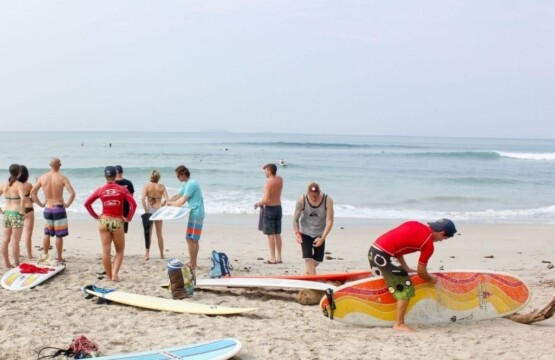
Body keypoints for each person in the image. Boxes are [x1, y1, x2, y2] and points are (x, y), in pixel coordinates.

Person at [368, 218, 457, 332]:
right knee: (405, 286)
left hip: (374, 251)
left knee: (386, 279)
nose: (441, 241)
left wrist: (405, 267)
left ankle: (382, 305)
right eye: (444, 238)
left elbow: (397, 246)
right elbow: (421, 272)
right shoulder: (428, 244)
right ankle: (399, 323)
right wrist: (430, 279)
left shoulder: (414, 224)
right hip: (384, 257)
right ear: (441, 233)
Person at [84, 166, 137, 281]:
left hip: (104, 220)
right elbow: (134, 205)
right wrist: (128, 218)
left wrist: (95, 215)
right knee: (120, 251)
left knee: (105, 251)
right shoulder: (123, 189)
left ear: (105, 176)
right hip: (117, 221)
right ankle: (115, 275)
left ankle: (109, 275)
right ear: (115, 175)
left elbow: (87, 204)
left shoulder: (100, 189)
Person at [31, 157, 76, 263]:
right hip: (59, 208)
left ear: (50, 165)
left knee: (46, 233)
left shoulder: (43, 178)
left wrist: (40, 204)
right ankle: (59, 257)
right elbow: (72, 193)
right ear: (59, 165)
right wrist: (67, 204)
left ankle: (45, 255)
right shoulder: (63, 178)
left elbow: (33, 192)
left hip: (48, 208)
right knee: (59, 235)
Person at [166, 165, 205, 269]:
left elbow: (181, 201)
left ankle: (192, 263)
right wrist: (167, 201)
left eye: (178, 176)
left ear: (183, 174)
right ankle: (194, 262)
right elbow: (177, 196)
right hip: (196, 212)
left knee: (190, 238)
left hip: (196, 213)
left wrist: (171, 204)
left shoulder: (191, 184)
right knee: (193, 239)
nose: (177, 178)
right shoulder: (186, 184)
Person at [293, 182, 334, 274]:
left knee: (318, 260)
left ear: (319, 192)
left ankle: (306, 275)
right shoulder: (302, 200)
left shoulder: (328, 200)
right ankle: (314, 280)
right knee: (308, 258)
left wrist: (322, 238)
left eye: (316, 196)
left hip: (320, 233)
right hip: (305, 231)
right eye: (312, 196)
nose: (314, 198)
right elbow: (295, 219)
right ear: (308, 193)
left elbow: (330, 221)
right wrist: (297, 233)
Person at [254, 163, 283, 264]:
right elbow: (272, 171)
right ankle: (279, 257)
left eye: (266, 170)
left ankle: (273, 258)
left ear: (269, 171)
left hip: (270, 209)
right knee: (277, 234)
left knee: (270, 235)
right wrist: (266, 166)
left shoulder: (268, 184)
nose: (264, 172)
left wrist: (258, 203)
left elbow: (266, 200)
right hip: (278, 208)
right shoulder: (280, 179)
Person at [0, 164, 26, 268]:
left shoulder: (3, 184)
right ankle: (16, 264)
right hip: (16, 213)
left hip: (7, 214)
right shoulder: (19, 184)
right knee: (15, 241)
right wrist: (22, 211)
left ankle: (7, 263)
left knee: (5, 240)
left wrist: (0, 210)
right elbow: (23, 199)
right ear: (19, 173)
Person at [141, 170, 169, 260]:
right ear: (158, 178)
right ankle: (161, 254)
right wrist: (163, 205)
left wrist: (146, 210)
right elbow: (167, 200)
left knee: (148, 233)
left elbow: (142, 199)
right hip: (159, 211)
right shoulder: (161, 187)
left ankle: (147, 254)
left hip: (150, 210)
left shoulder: (147, 186)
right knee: (159, 234)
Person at [18, 165, 35, 259]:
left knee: (16, 234)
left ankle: (18, 252)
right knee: (28, 234)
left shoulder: (13, 185)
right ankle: (29, 254)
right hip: (28, 209)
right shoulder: (29, 185)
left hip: (17, 210)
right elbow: (33, 200)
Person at [114, 165, 135, 235]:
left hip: (114, 209)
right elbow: (132, 200)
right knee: (123, 232)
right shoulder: (129, 183)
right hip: (126, 209)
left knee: (114, 230)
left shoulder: (112, 184)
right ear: (122, 172)